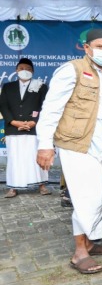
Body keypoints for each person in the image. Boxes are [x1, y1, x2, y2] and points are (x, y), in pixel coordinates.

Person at [36, 28, 102, 275]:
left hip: (99, 147)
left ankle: (90, 242)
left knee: (100, 197)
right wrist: (44, 144)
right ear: (86, 48)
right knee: (85, 197)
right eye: (100, 46)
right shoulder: (72, 70)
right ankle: (79, 253)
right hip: (76, 145)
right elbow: (52, 109)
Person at [0, 58, 51, 198]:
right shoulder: (8, 86)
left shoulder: (41, 86)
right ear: (16, 70)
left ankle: (42, 185)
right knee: (14, 158)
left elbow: (44, 106)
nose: (25, 71)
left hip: (34, 128)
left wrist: (34, 121)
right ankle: (13, 187)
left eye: (28, 69)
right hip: (13, 128)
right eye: (21, 68)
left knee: (36, 157)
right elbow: (3, 106)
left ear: (33, 72)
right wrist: (13, 122)